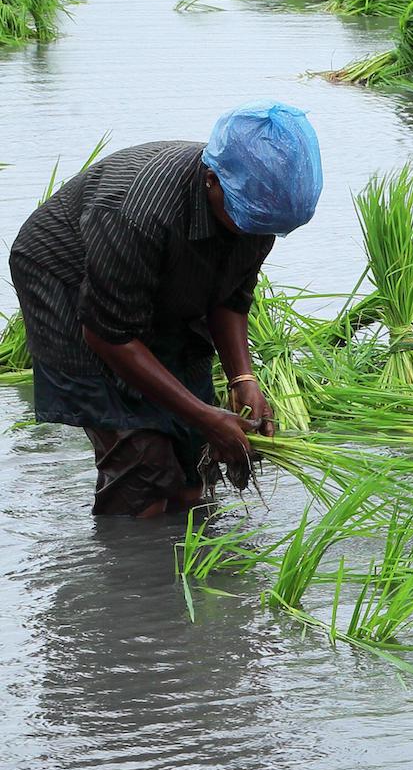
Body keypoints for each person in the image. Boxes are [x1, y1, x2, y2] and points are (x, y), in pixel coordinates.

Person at [7, 103, 323, 518]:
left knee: (194, 466)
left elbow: (231, 296)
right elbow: (108, 334)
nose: (256, 236)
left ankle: (187, 560)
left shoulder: (256, 203)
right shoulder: (135, 212)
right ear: (212, 181)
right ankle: (129, 574)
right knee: (143, 467)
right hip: (68, 285)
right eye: (248, 222)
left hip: (155, 283)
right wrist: (205, 416)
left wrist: (242, 378)